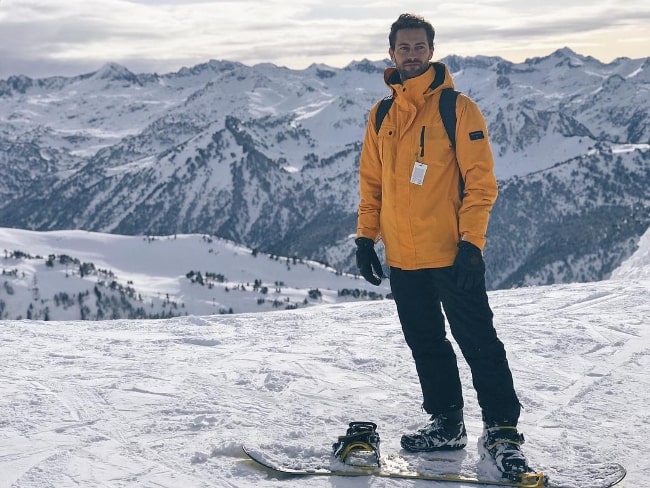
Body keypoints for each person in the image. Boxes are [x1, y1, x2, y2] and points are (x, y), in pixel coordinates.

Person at [354, 13, 529, 478]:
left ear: (431, 51)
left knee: (478, 342)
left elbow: (481, 183)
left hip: (452, 253)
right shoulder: (382, 115)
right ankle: (447, 422)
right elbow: (371, 185)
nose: (411, 55)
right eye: (403, 47)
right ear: (391, 54)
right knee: (426, 343)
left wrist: (473, 243)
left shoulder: (457, 108)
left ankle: (503, 431)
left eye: (418, 46)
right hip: (403, 258)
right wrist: (365, 238)